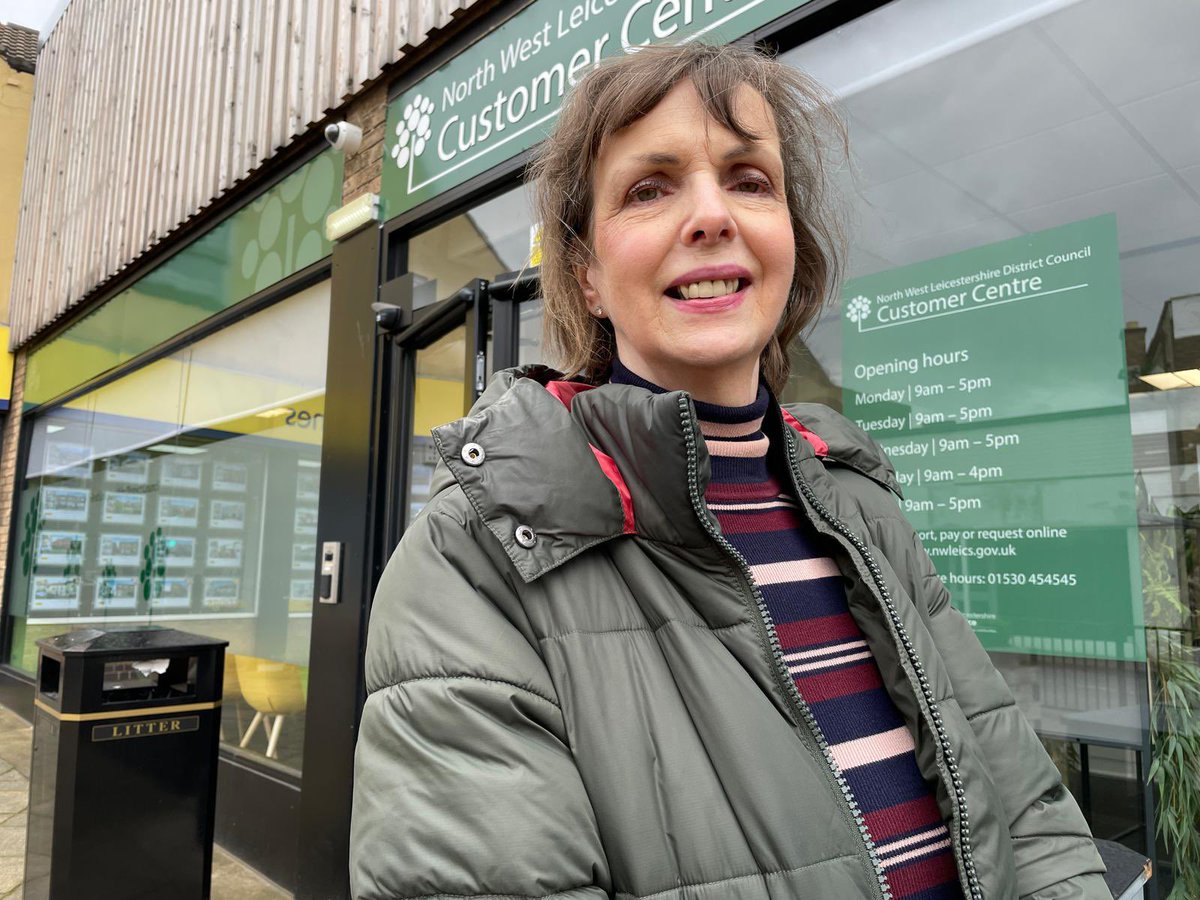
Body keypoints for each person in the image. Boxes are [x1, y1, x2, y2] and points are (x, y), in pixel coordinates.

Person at [350, 42, 1107, 900]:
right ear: (586, 273)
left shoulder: (859, 505)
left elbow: (1034, 822)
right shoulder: (472, 559)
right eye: (650, 188)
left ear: (788, 240)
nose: (714, 215)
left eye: (750, 180)